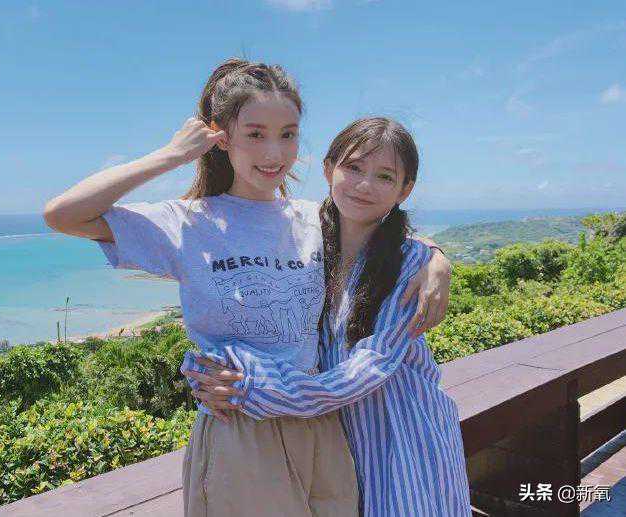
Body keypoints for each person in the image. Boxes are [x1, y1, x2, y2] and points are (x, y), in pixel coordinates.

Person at [43, 58, 452, 517]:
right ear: (221, 138)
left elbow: (379, 227)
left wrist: (436, 259)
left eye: (288, 134)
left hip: (323, 426)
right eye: (255, 134)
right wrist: (172, 155)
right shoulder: (188, 222)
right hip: (240, 426)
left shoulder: (314, 219)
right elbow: (63, 214)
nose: (274, 153)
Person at [183, 117, 471, 516]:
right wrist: (210, 373)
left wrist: (253, 387)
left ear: (405, 190)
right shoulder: (303, 242)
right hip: (333, 435)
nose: (364, 185)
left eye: (385, 177)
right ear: (328, 168)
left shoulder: (409, 264)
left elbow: (367, 369)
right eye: (353, 167)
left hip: (402, 432)